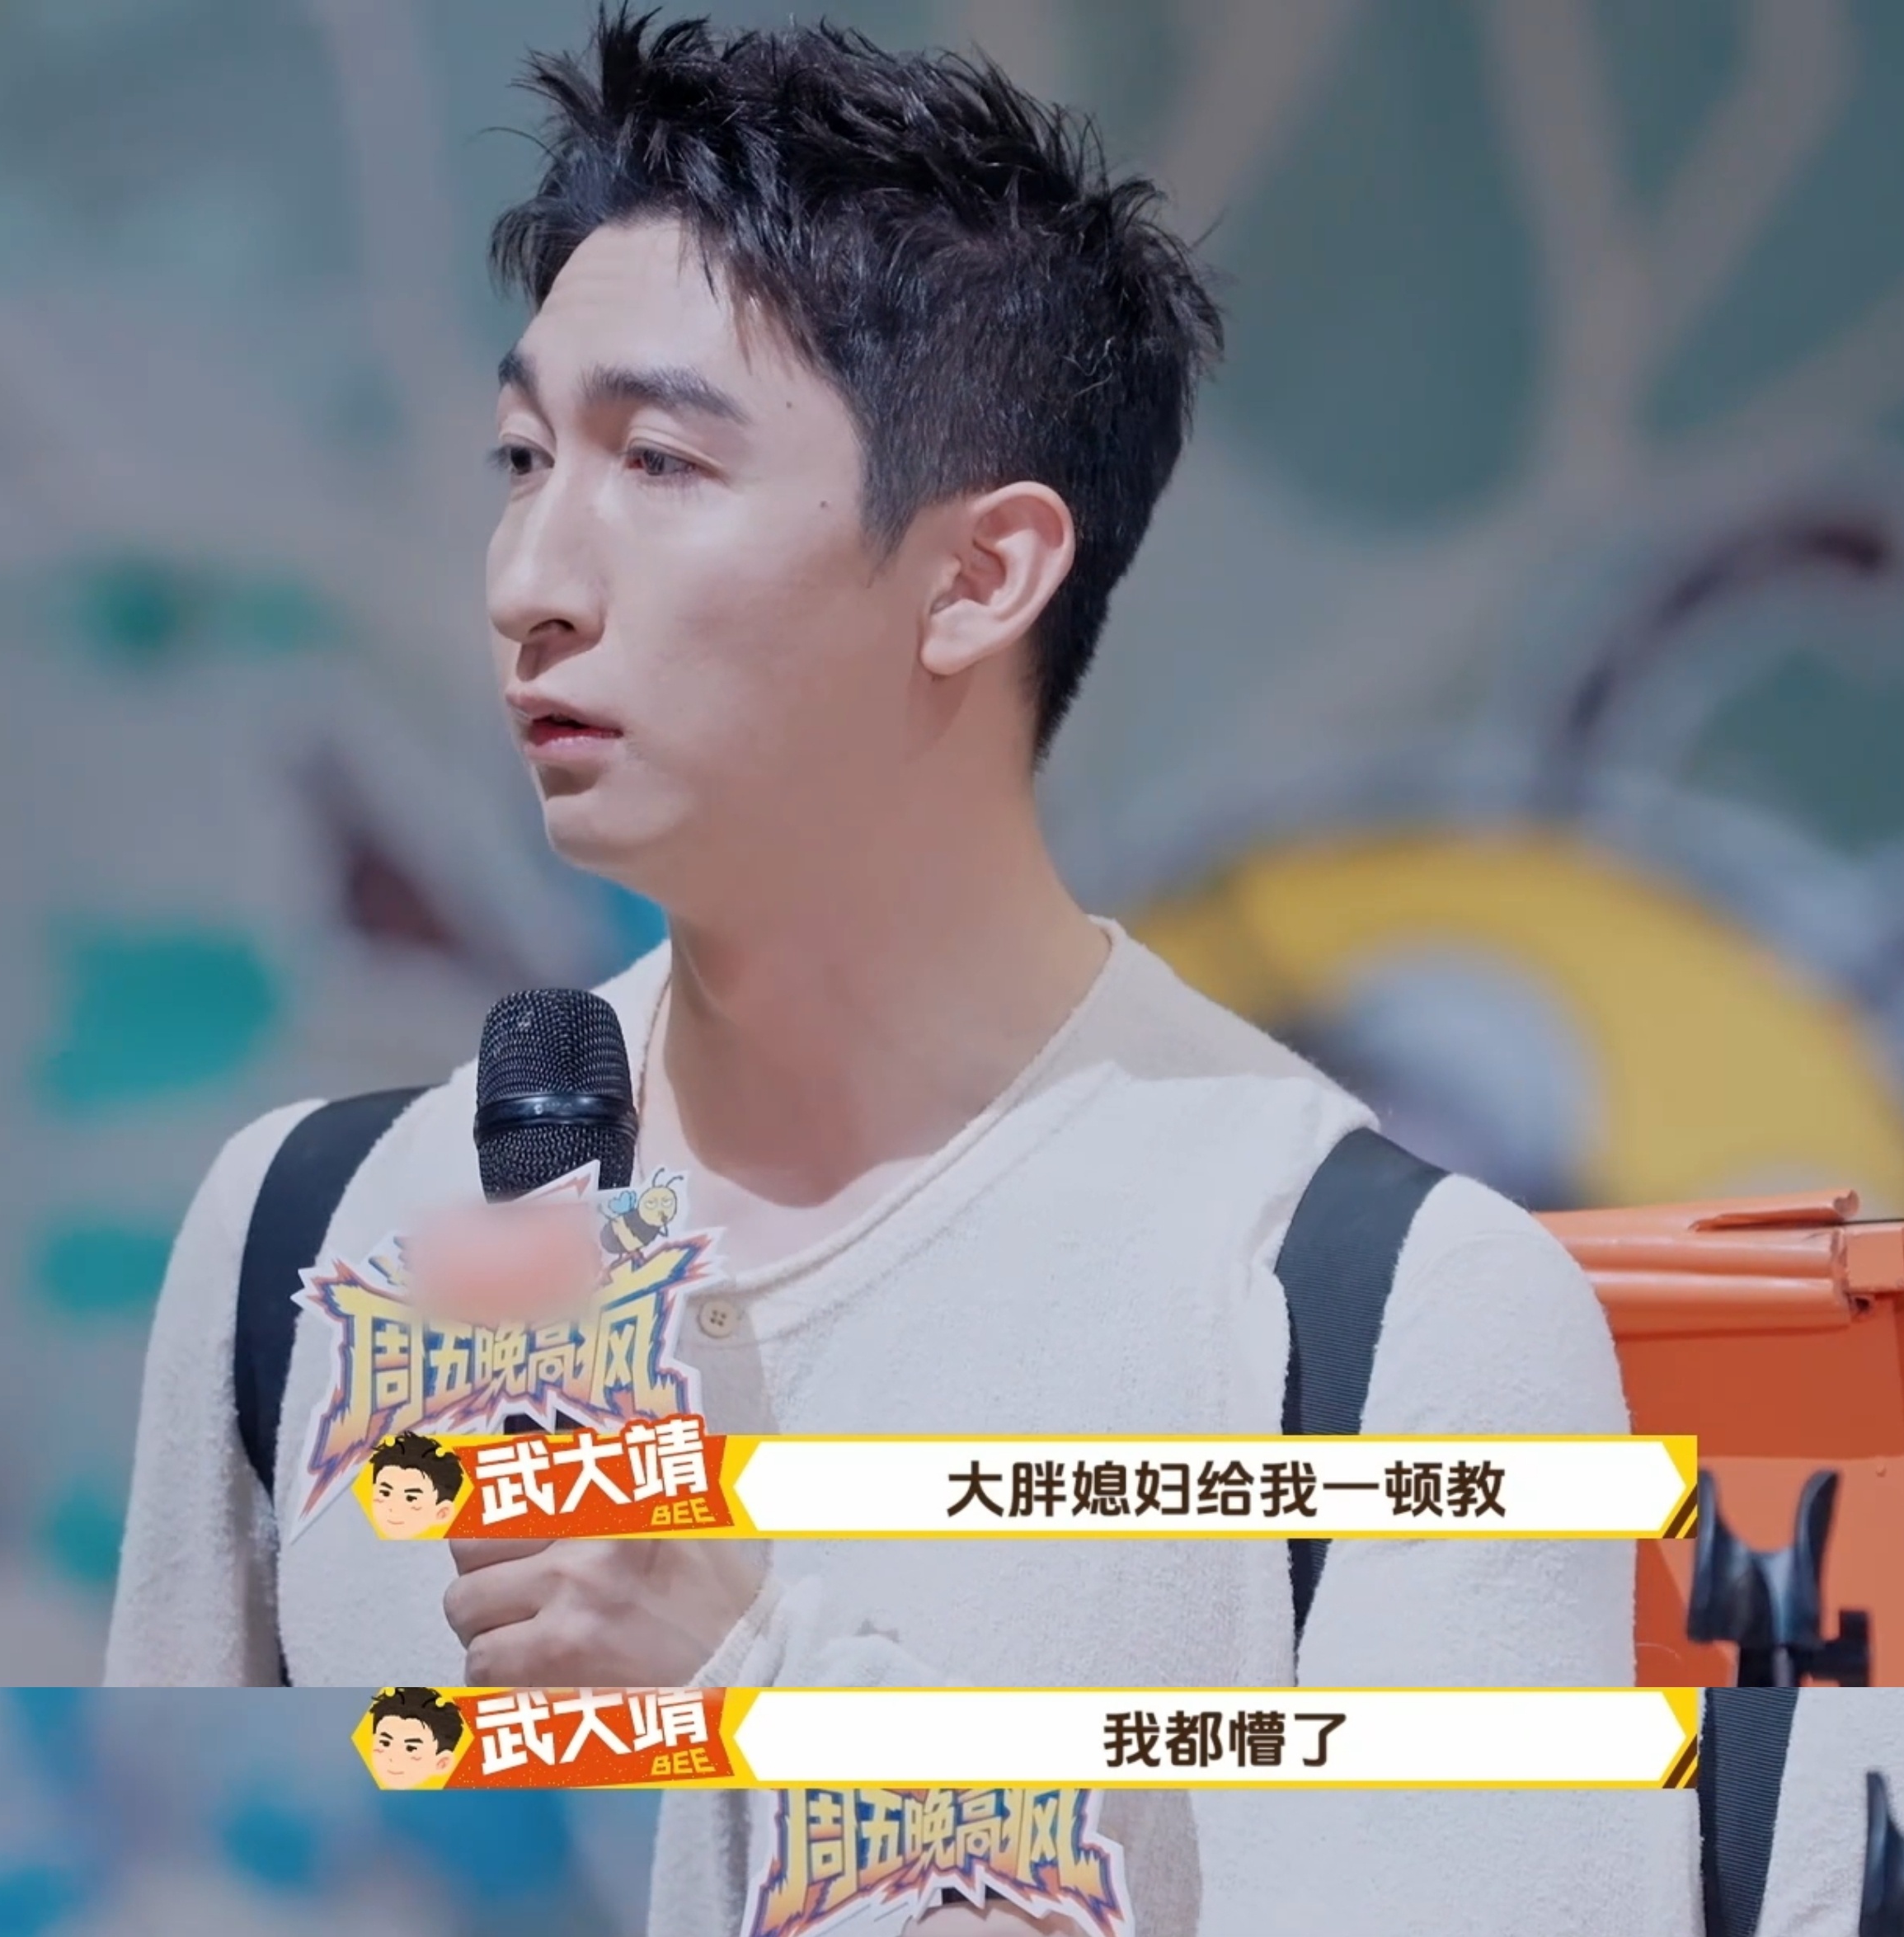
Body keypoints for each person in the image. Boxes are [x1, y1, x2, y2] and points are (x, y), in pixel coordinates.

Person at [108, 10, 1695, 1932]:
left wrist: (768, 1683)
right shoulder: (306, 1234)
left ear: (979, 576)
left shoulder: (1373, 1320)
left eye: (660, 462)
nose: (529, 576)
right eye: (523, 455)